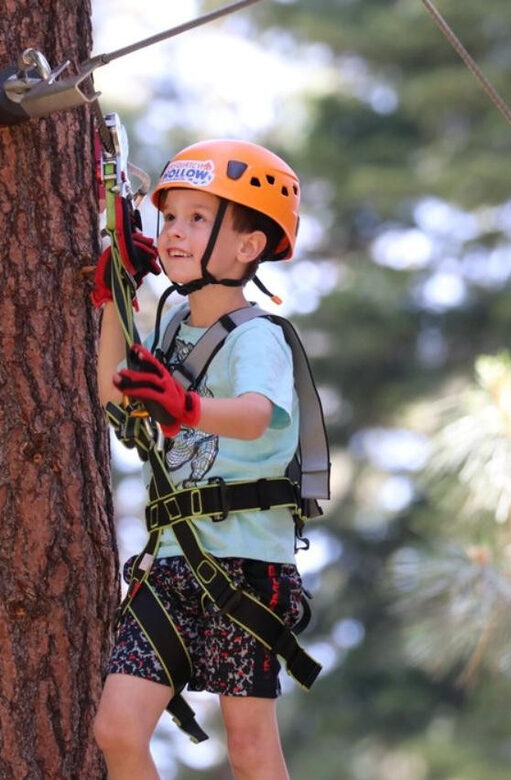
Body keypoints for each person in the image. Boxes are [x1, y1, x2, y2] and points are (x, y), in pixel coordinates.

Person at [92, 140, 314, 780]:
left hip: (246, 567)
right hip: (171, 564)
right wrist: (117, 296)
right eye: (170, 217)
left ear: (249, 246)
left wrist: (186, 408)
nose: (174, 233)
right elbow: (115, 395)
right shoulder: (169, 327)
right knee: (116, 728)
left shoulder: (258, 335)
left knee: (247, 744)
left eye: (197, 218)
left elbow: (252, 415)